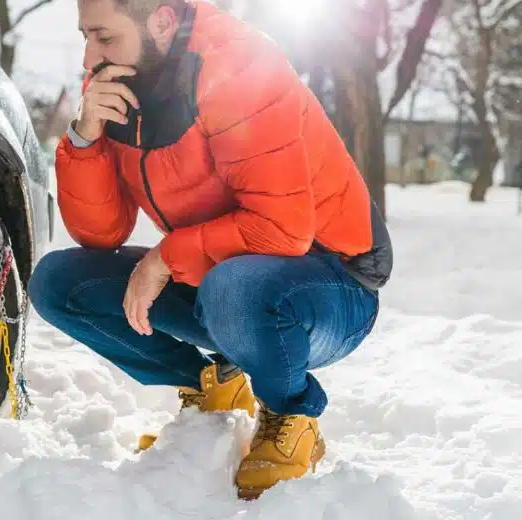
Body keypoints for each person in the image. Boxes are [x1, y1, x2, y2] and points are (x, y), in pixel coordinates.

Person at [28, 0, 393, 499]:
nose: (90, 57)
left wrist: (164, 258)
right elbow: (101, 235)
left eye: (105, 37)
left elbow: (282, 231)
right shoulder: (116, 81)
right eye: (85, 36)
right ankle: (215, 382)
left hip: (330, 283)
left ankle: (292, 414)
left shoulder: (240, 68)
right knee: (60, 283)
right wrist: (85, 138)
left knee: (234, 288)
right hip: (221, 271)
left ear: (160, 21)